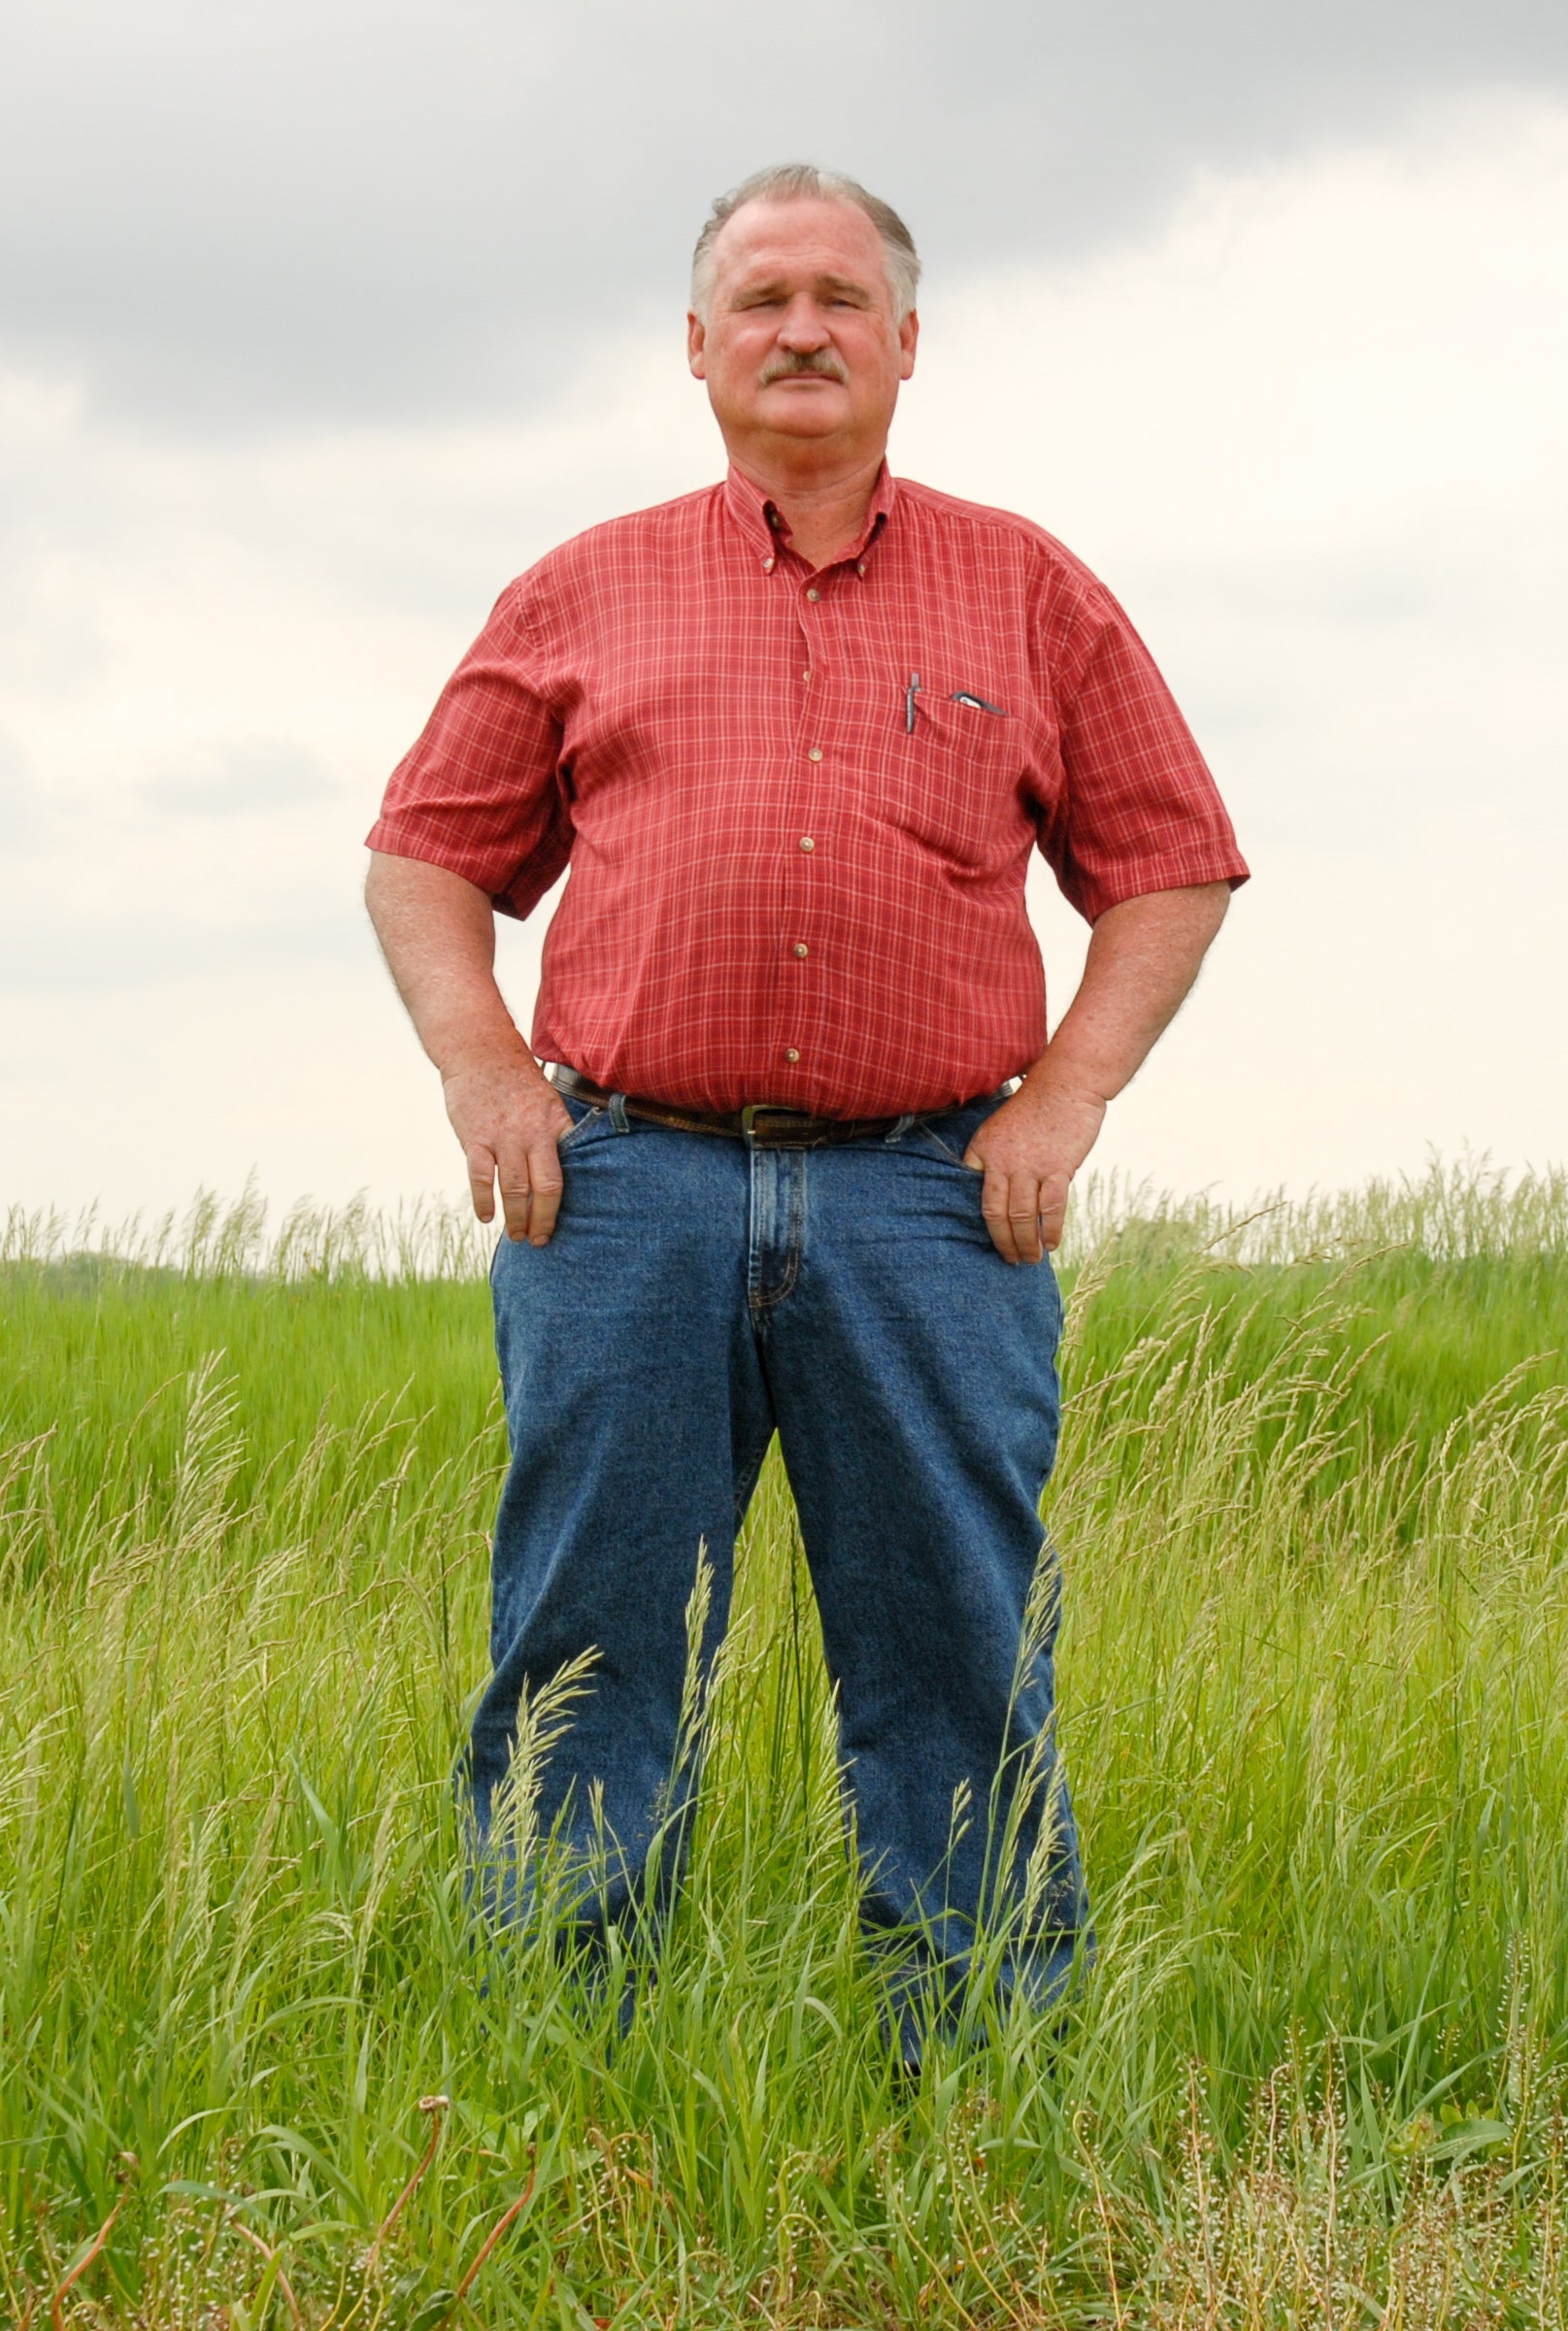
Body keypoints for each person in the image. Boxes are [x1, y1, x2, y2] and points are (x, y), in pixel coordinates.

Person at [361, 162, 1246, 2050]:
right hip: (623, 1197)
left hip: (928, 1205)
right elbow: (423, 856)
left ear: (909, 345)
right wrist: (482, 1066)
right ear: (694, 348)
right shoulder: (584, 588)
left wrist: (1065, 1102)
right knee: (590, 1644)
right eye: (759, 297)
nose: (801, 328)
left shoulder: (1028, 589)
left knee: (953, 1645)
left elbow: (1167, 861)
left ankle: (980, 2066)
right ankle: (566, 2063)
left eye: (842, 296)